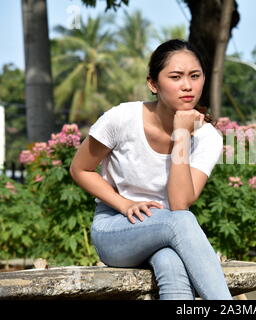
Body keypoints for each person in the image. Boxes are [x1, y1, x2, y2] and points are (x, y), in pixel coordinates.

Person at [70, 39, 232, 300]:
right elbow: (80, 169)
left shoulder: (208, 137)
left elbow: (179, 203)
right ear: (153, 84)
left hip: (168, 231)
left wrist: (181, 135)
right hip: (115, 229)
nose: (187, 86)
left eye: (195, 76)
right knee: (180, 222)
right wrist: (123, 204)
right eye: (176, 77)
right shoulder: (122, 118)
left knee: (170, 264)